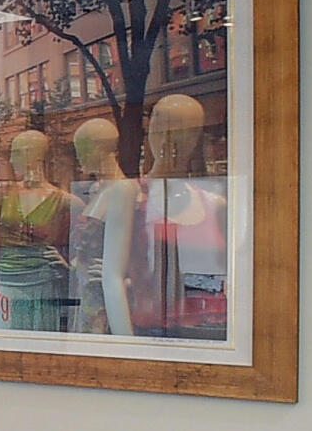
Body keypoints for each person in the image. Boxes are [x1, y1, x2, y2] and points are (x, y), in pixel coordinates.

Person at [131, 92, 229, 339]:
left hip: (214, 331)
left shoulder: (215, 202)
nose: (171, 140)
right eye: (162, 127)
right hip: (150, 331)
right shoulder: (131, 199)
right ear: (151, 133)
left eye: (186, 131)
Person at [0, 127, 74, 330]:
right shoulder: (2, 191)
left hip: (44, 284)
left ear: (32, 155)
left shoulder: (62, 199)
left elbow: (92, 241)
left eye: (16, 153)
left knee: (39, 344)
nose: (11, 160)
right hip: (10, 283)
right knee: (5, 342)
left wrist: (69, 265)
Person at [70, 115, 136, 337]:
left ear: (98, 148)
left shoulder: (122, 189)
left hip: (105, 304)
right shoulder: (98, 189)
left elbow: (113, 276)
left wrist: (126, 347)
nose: (78, 156)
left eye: (81, 148)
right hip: (87, 296)